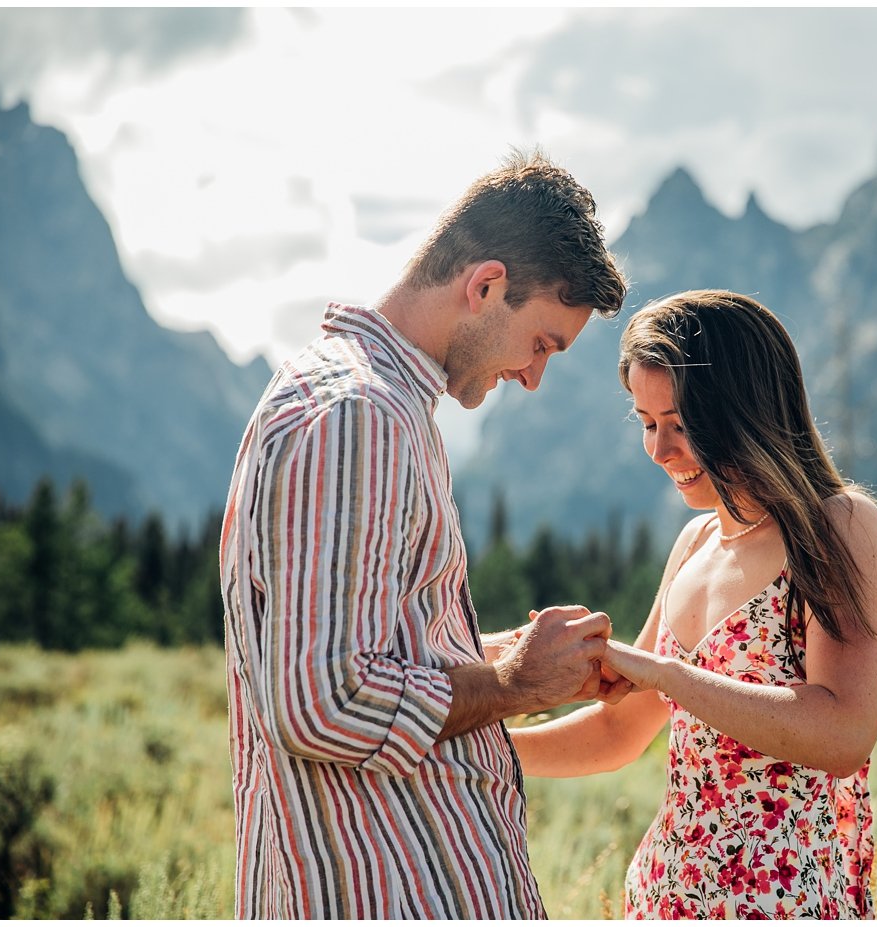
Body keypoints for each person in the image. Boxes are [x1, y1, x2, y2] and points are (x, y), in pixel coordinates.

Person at [218, 150, 630, 917]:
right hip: (392, 884)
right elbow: (325, 696)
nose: (534, 377)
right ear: (485, 286)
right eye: (542, 342)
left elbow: (380, 644)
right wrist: (513, 686)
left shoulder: (369, 401)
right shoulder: (359, 417)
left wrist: (525, 659)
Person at [510, 290, 877, 919]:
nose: (659, 450)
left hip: (783, 902)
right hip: (664, 895)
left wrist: (667, 677)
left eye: (682, 423)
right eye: (647, 422)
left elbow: (844, 734)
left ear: (745, 410)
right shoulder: (695, 541)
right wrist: (484, 753)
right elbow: (621, 729)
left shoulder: (837, 524)